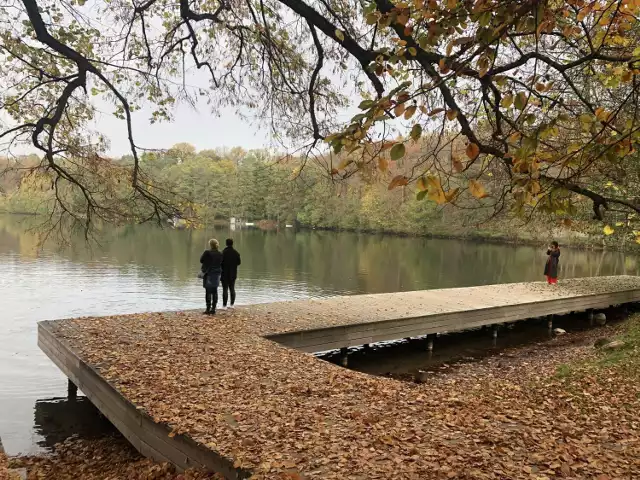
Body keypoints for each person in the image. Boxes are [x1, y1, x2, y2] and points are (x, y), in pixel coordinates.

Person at [200, 238, 222, 314]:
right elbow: (221, 263)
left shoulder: (207, 252)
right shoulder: (220, 253)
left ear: (210, 245)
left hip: (208, 273)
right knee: (215, 291)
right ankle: (213, 309)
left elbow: (201, 260)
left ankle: (208, 309)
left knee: (208, 291)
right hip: (217, 274)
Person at [221, 238, 241, 308]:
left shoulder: (223, 252)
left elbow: (220, 263)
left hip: (224, 273)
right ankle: (232, 305)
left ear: (226, 244)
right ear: (232, 243)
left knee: (225, 289)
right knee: (232, 288)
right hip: (233, 273)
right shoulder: (236, 253)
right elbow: (239, 263)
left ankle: (224, 306)